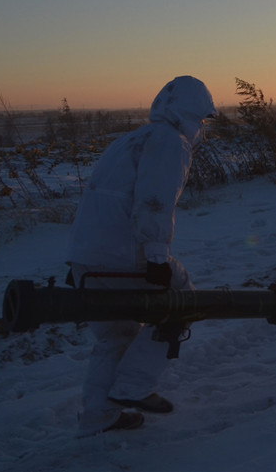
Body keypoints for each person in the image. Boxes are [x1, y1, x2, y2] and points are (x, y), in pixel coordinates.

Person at [65, 76, 217, 437]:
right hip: (123, 254)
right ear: (192, 114)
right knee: (184, 301)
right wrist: (156, 258)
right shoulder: (170, 142)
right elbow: (154, 202)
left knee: (115, 335)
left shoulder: (128, 140)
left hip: (86, 256)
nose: (202, 129)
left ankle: (98, 417)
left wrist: (78, 261)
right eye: (203, 120)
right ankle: (133, 388)